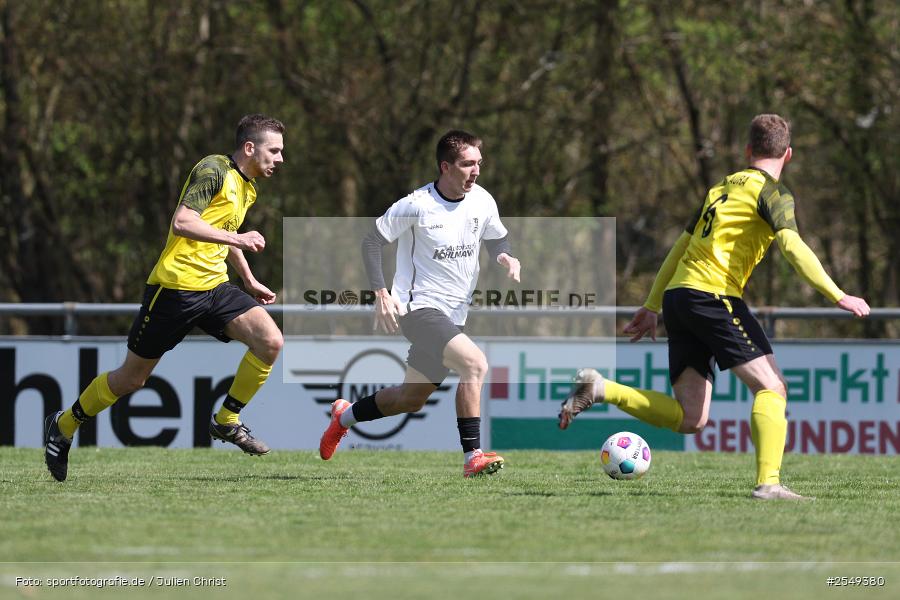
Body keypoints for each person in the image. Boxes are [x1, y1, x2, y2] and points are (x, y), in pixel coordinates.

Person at [559, 114, 870, 500]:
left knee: (691, 417)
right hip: (714, 297)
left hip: (678, 297)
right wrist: (837, 293)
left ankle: (601, 388)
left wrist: (653, 303)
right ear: (788, 154)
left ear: (747, 150)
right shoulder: (772, 192)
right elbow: (792, 245)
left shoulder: (719, 189)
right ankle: (769, 484)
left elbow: (679, 249)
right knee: (772, 387)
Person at [44, 114, 286, 482]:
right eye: (275, 150)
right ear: (250, 148)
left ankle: (226, 421)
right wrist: (239, 240)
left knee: (270, 342)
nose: (280, 158)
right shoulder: (213, 170)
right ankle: (64, 424)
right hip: (174, 290)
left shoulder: (248, 187)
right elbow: (183, 223)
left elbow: (223, 229)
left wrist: (249, 279)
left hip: (215, 289)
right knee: (131, 379)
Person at [318, 130, 521, 477]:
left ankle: (344, 415)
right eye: (467, 164)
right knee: (474, 364)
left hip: (455, 315)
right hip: (418, 309)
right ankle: (473, 455)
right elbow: (371, 242)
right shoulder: (416, 205)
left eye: (479, 164)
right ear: (446, 166)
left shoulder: (482, 200)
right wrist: (381, 293)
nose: (475, 171)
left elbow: (496, 237)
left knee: (409, 399)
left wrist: (504, 256)